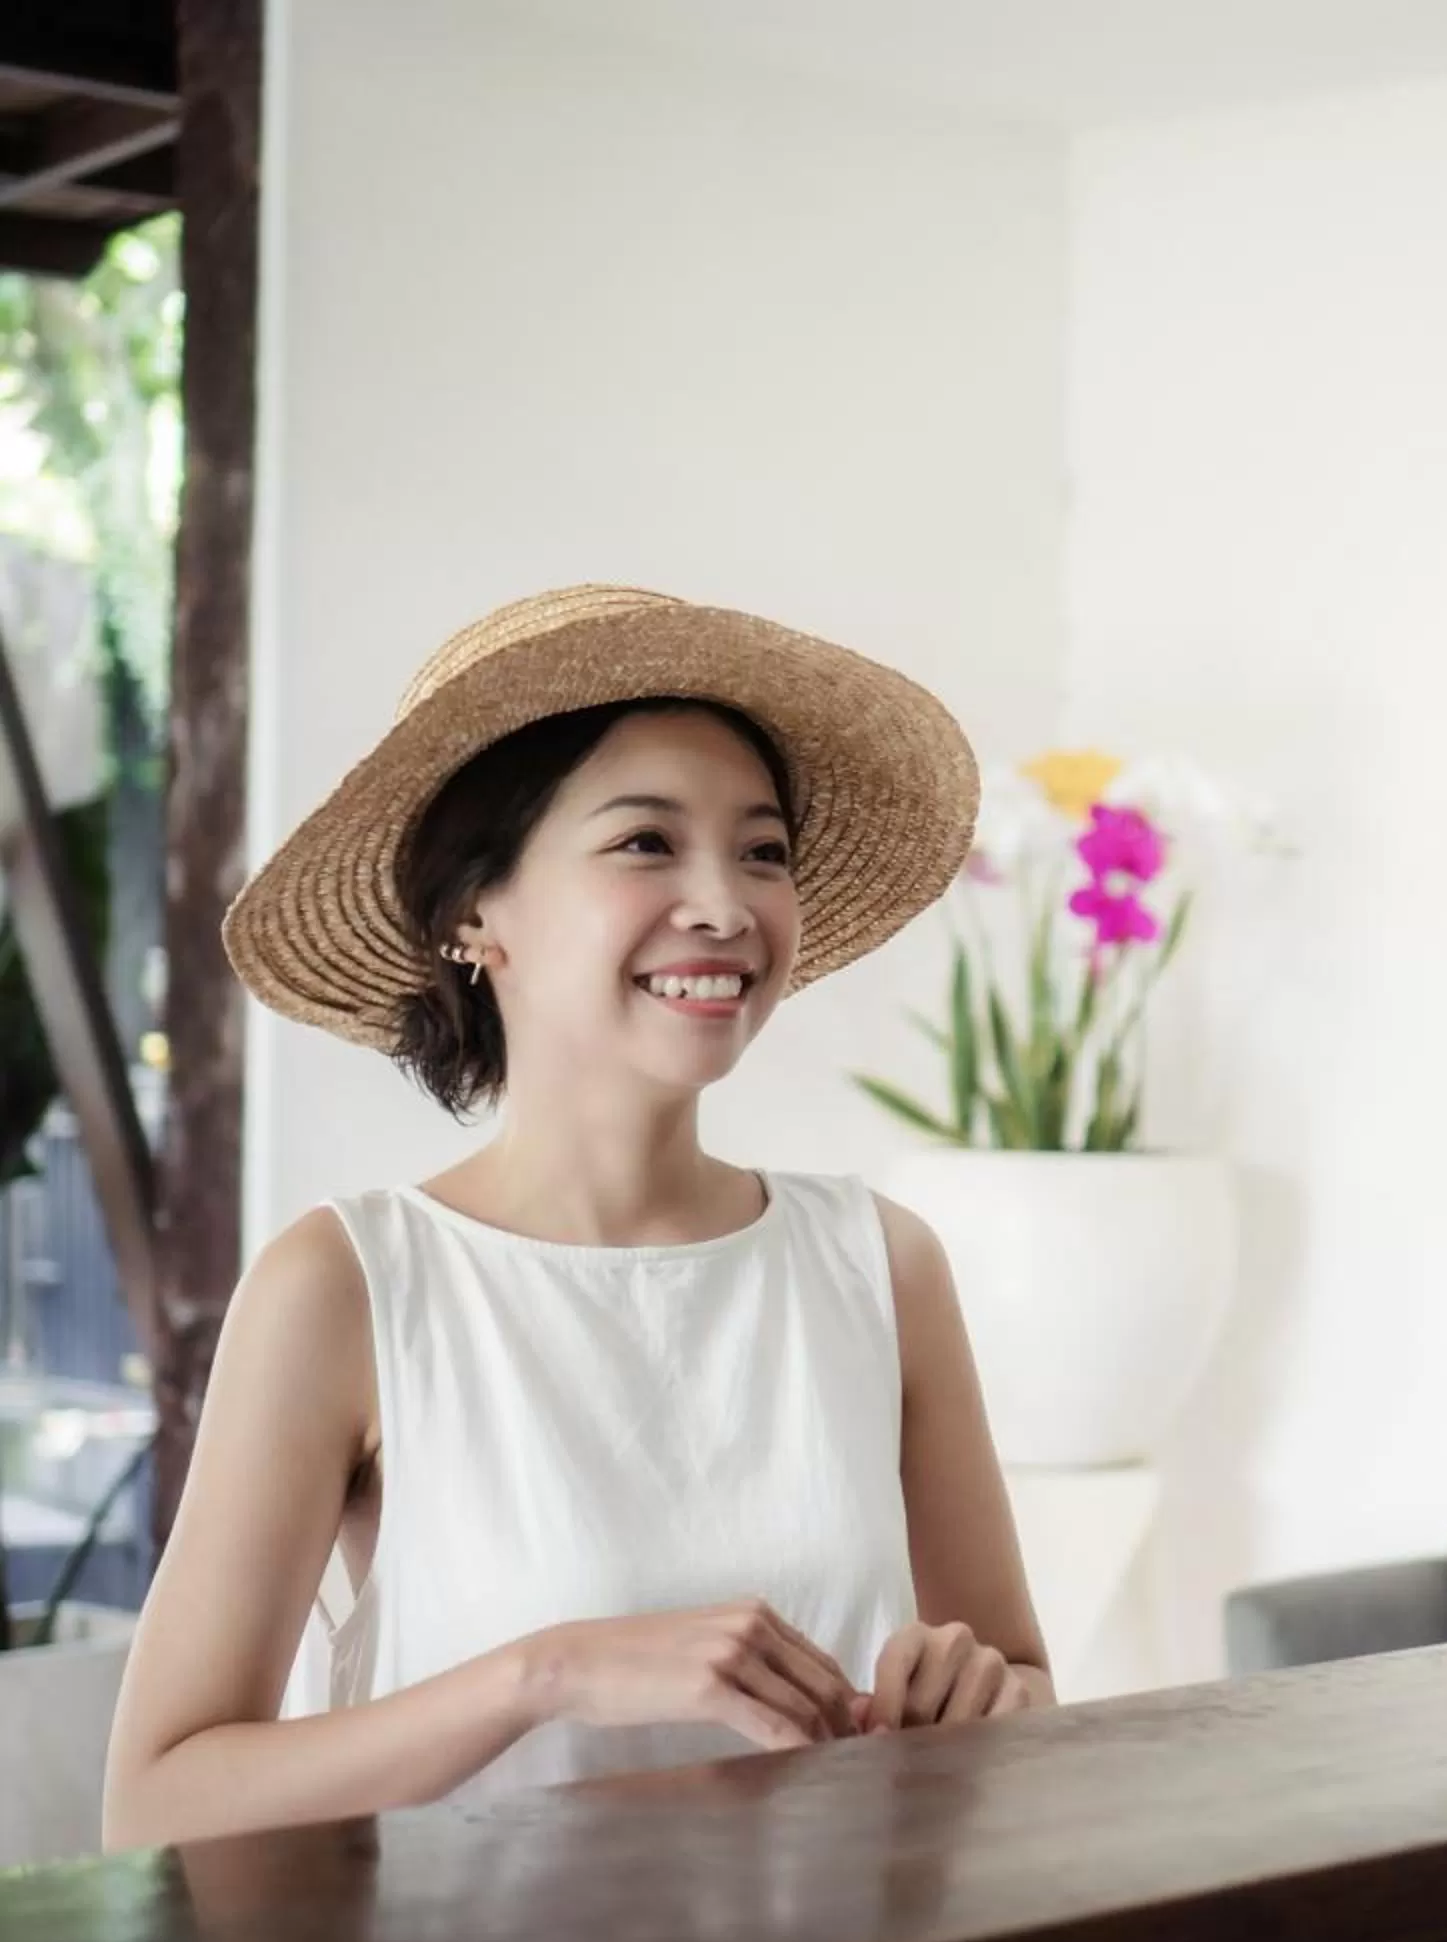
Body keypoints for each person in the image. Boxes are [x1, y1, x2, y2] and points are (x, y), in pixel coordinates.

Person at [104, 585, 1050, 1848]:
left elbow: (1024, 1688)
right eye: (646, 842)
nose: (725, 904)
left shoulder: (879, 1262)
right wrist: (544, 1673)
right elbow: (154, 1802)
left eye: (762, 850)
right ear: (472, 912)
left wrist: (979, 1699)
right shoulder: (350, 1284)